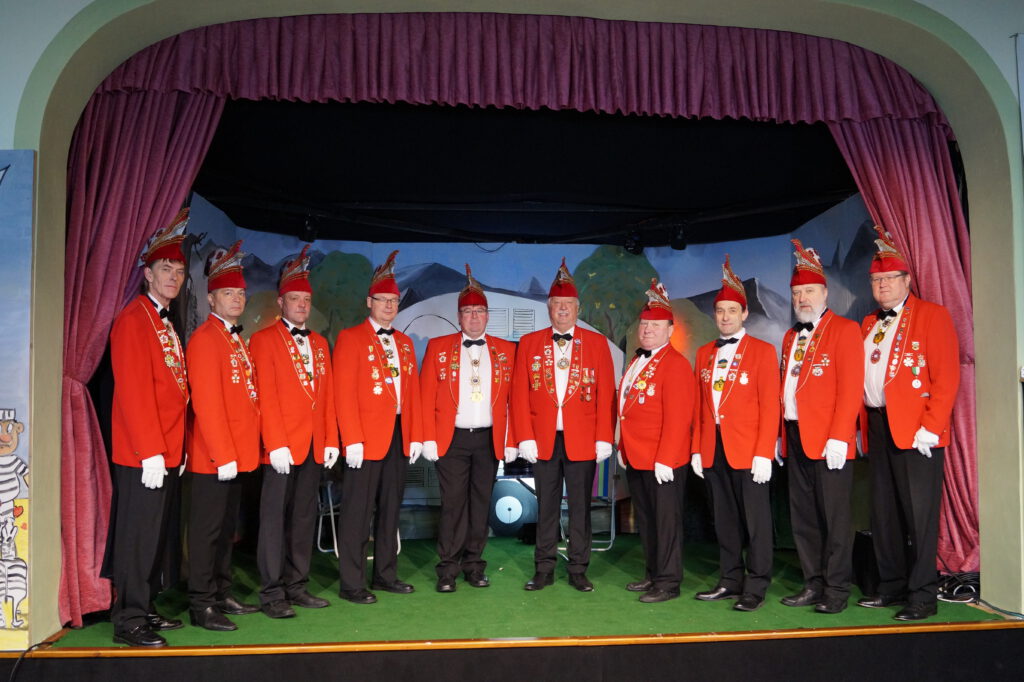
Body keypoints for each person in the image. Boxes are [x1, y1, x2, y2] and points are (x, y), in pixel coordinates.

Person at [856, 226, 960, 621]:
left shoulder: (932, 315)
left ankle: (923, 596)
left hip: (918, 431)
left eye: (889, 278)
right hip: (878, 424)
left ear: (907, 280)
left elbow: (946, 376)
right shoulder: (868, 323)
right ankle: (892, 586)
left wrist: (932, 425)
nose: (882, 285)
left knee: (919, 516)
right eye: (876, 280)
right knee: (883, 512)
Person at [107, 209, 190, 647]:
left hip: (167, 448)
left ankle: (146, 606)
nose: (173, 277)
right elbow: (135, 392)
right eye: (165, 269)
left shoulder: (164, 320)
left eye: (179, 271)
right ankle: (129, 619)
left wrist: (178, 447)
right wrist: (151, 450)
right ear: (147, 274)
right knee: (137, 537)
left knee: (155, 536)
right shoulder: (133, 319)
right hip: (145, 452)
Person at [511, 258, 614, 592]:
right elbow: (519, 393)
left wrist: (604, 437)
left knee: (581, 507)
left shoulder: (596, 343)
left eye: (568, 304)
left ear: (578, 308)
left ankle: (578, 569)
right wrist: (524, 436)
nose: (563, 309)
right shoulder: (529, 342)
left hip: (582, 439)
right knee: (546, 507)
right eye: (557, 304)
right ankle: (543, 568)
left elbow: (606, 394)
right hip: (542, 440)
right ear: (549, 308)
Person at [250, 245, 339, 618]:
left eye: (306, 300)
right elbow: (265, 397)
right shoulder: (263, 340)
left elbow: (327, 396)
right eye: (295, 299)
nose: (301, 305)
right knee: (273, 521)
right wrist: (275, 443)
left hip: (313, 446)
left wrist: (331, 439)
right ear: (280, 302)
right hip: (282, 448)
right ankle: (272, 593)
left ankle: (297, 585)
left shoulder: (318, 343)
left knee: (304, 517)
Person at [691, 256, 781, 612]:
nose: (725, 317)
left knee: (756, 522)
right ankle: (730, 579)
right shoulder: (703, 353)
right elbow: (700, 408)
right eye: (720, 311)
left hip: (748, 450)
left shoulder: (762, 351)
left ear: (744, 313)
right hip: (713, 449)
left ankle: (756, 586)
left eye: (732, 310)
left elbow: (770, 405)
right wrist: (697, 449)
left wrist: (763, 452)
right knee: (724, 519)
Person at [779, 239, 864, 614]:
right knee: (804, 517)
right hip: (795, 435)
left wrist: (840, 436)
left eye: (809, 291)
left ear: (825, 293)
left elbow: (851, 389)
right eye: (797, 293)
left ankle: (837, 589)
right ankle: (812, 583)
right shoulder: (790, 337)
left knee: (835, 518)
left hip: (830, 438)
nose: (802, 298)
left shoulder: (844, 330)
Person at [333, 250, 423, 604]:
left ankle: (386, 574)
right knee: (357, 511)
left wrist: (415, 435)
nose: (388, 306)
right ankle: (352, 583)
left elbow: (412, 393)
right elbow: (343, 393)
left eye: (394, 301)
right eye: (383, 300)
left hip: (398, 435)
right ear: (368, 302)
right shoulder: (351, 338)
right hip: (365, 438)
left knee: (390, 509)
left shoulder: (404, 343)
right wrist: (351, 439)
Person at [420, 265, 517, 593]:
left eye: (479, 311)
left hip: (488, 439)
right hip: (452, 438)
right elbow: (425, 395)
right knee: (453, 505)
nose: (474, 317)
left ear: (487, 316)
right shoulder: (438, 347)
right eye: (467, 312)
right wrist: (428, 437)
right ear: (458, 317)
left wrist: (512, 439)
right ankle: (447, 569)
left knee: (480, 503)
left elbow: (514, 401)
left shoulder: (506, 351)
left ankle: (474, 566)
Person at [185, 241, 261, 631]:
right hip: (214, 458)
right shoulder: (205, 339)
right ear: (211, 298)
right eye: (228, 293)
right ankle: (201, 604)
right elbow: (207, 404)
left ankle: (221, 591)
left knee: (227, 530)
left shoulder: (234, 339)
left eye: (240, 293)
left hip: (237, 455)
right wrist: (222, 454)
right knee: (207, 532)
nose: (237, 299)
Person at [616, 279, 693, 603]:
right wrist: (622, 446)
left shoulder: (675, 364)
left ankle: (668, 582)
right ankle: (652, 573)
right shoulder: (637, 361)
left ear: (670, 329)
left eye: (655, 325)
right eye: (645, 324)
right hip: (637, 456)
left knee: (666, 523)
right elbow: (626, 409)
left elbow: (679, 418)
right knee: (647, 521)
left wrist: (666, 458)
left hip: (663, 460)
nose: (647, 330)